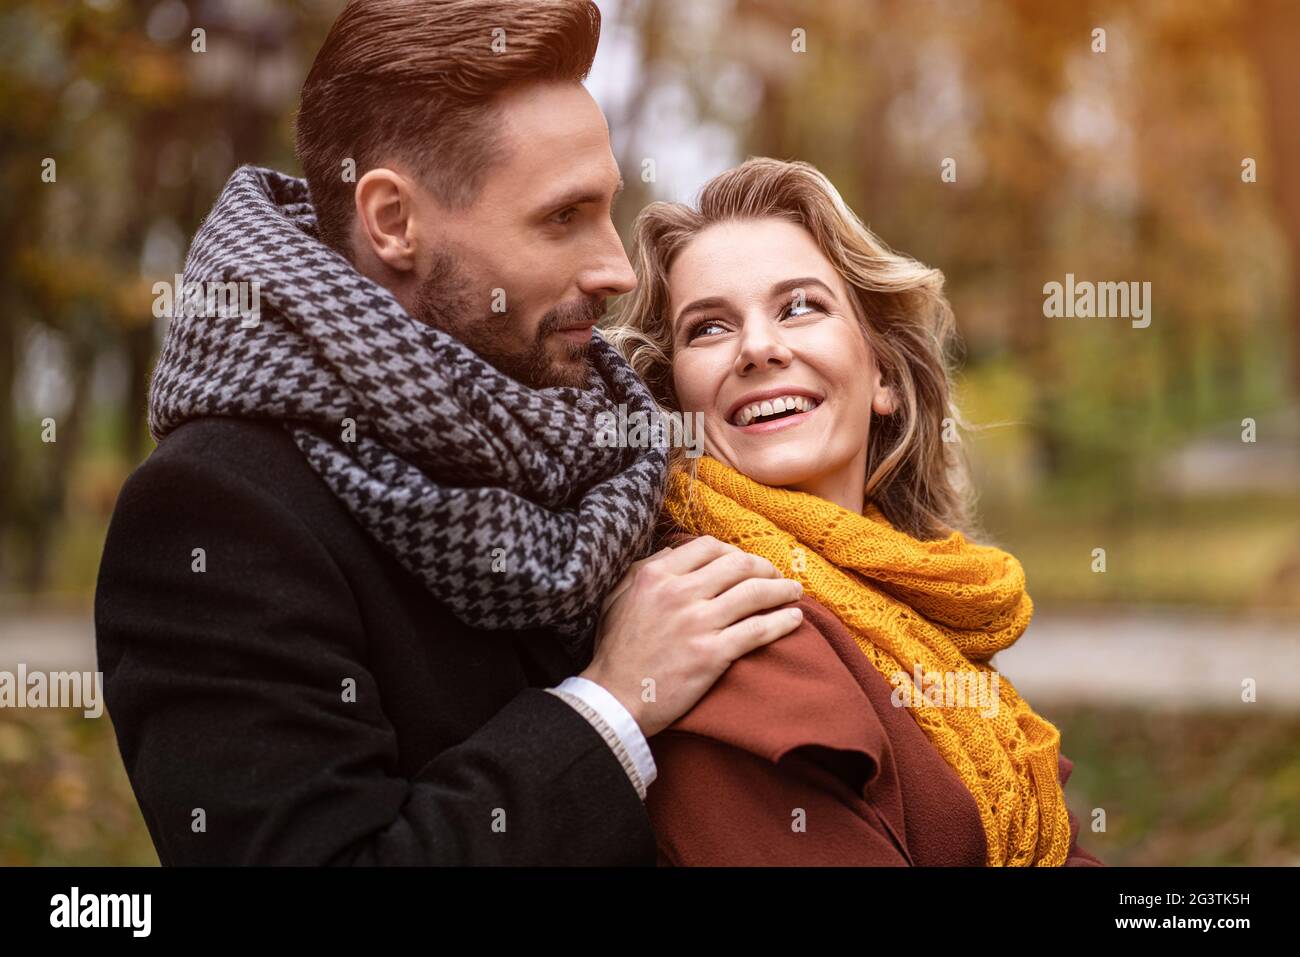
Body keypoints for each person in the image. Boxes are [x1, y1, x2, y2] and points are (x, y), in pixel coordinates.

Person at [93, 0, 805, 866]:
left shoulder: (607, 448)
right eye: (561, 217)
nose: (616, 268)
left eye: (608, 209)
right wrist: (609, 706)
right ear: (393, 221)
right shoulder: (213, 513)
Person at [605, 157, 1105, 866]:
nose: (758, 348)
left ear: (883, 376)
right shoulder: (718, 620)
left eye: (800, 306)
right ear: (673, 400)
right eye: (709, 328)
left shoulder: (919, 610)